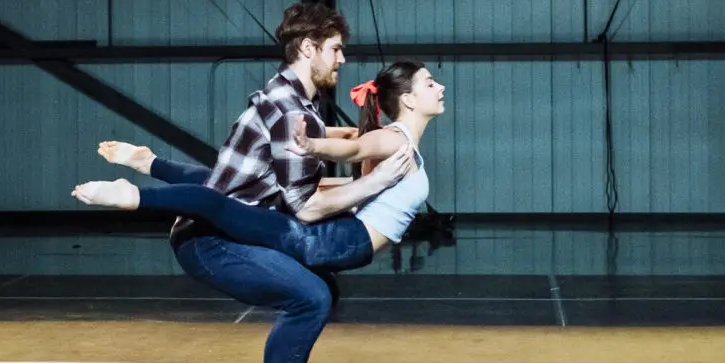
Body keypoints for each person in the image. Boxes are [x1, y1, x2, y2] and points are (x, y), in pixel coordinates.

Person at [73, 60, 446, 269]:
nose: (440, 87)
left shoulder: (395, 142)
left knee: (229, 188)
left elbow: (355, 144)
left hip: (343, 236)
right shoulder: (395, 139)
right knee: (216, 201)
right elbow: (353, 149)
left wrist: (321, 143)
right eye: (430, 83)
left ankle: (151, 163)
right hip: (334, 243)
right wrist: (311, 144)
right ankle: (134, 196)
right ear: (409, 100)